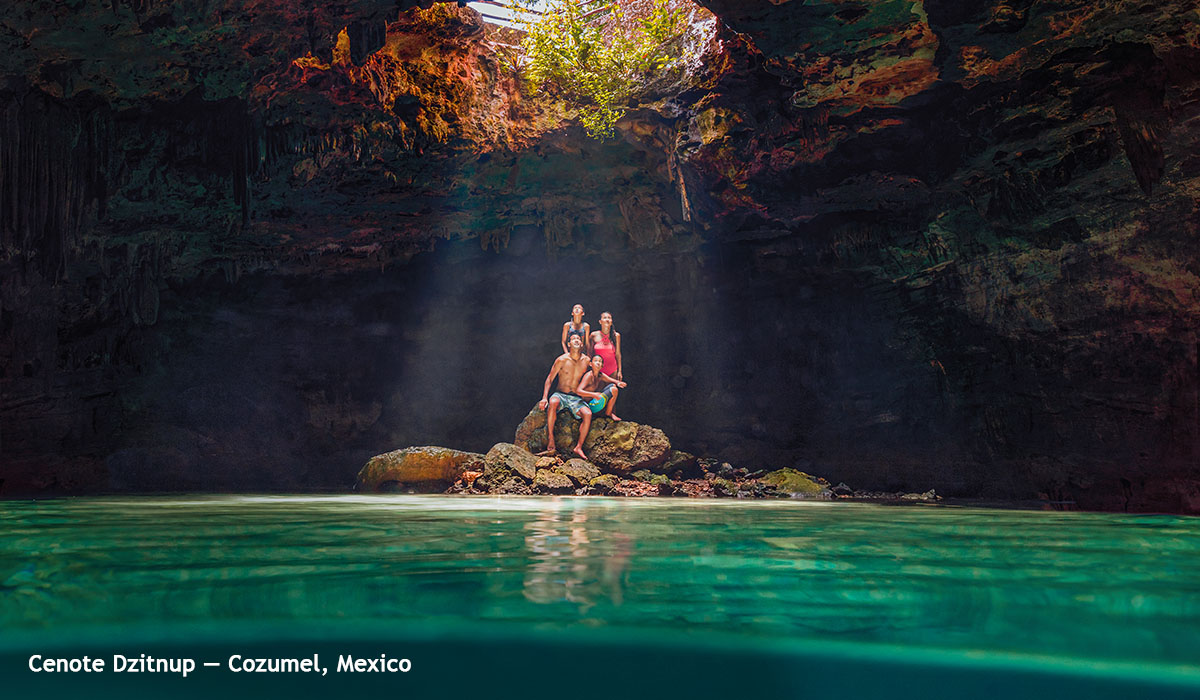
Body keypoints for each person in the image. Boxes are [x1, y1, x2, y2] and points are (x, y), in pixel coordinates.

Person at [538, 334, 594, 459]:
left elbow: (597, 372)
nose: (576, 340)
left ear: (581, 344)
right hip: (561, 395)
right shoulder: (561, 360)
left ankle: (578, 447)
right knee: (553, 402)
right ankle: (551, 439)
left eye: (579, 339)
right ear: (569, 344)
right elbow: (549, 379)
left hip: (576, 398)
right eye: (574, 338)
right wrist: (544, 397)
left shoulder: (586, 360)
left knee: (588, 414)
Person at [588, 312, 623, 417]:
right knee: (599, 395)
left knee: (613, 394)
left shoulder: (616, 335)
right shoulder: (594, 335)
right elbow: (589, 353)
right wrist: (590, 369)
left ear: (611, 321)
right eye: (605, 318)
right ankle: (597, 419)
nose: (607, 319)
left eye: (609, 318)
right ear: (600, 321)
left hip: (612, 369)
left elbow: (618, 353)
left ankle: (611, 418)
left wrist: (620, 370)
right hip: (599, 370)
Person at [575, 353, 626, 421]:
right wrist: (594, 394)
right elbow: (578, 391)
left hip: (595, 401)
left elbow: (611, 380)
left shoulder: (600, 375)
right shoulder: (589, 376)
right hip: (589, 405)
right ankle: (608, 413)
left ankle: (609, 413)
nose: (598, 363)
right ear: (591, 364)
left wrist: (619, 383)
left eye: (600, 361)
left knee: (613, 386)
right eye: (596, 361)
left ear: (602, 366)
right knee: (613, 389)